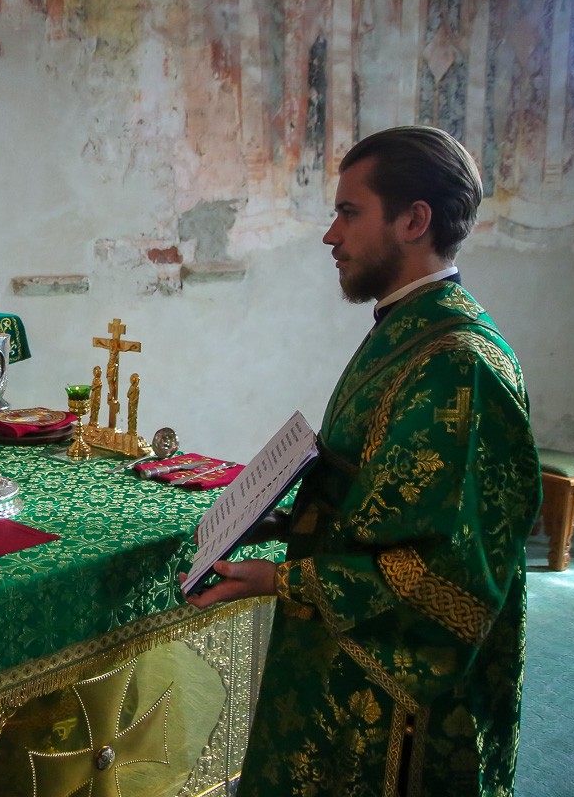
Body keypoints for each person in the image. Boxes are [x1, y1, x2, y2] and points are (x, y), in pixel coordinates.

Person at [185, 127, 541, 796]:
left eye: (349, 212)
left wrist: (282, 580)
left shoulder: (460, 363)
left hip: (397, 689)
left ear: (414, 220)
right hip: (341, 644)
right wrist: (277, 517)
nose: (331, 235)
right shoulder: (410, 325)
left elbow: (453, 576)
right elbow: (373, 487)